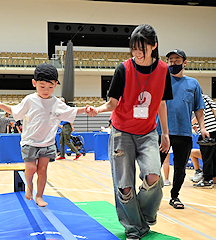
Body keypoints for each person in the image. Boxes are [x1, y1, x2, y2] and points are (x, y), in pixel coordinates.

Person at [87, 24, 172, 240]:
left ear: (153, 46)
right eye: (133, 48)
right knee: (124, 187)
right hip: (121, 132)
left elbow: (161, 102)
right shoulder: (123, 69)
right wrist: (96, 109)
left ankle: (144, 217)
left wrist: (165, 133)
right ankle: (135, 229)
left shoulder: (163, 70)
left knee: (153, 176)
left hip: (148, 133)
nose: (136, 53)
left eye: (141, 48)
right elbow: (112, 103)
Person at [0, 63, 88, 207]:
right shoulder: (29, 100)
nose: (46, 90)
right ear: (34, 83)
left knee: (42, 170)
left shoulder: (57, 102)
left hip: (47, 143)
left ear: (56, 84)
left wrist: (86, 109)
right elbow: (15, 111)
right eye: (42, 86)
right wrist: (0, 105)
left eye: (50, 87)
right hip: (29, 142)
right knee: (31, 169)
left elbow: (72, 111)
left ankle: (39, 196)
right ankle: (29, 187)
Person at [156, 49, 208, 209]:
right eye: (170, 60)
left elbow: (199, 109)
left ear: (184, 63)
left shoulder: (193, 84)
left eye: (176, 60)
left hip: (184, 134)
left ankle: (175, 196)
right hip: (161, 133)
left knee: (180, 168)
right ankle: (150, 197)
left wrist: (203, 128)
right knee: (153, 166)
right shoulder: (161, 81)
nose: (173, 63)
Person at [191, 93, 216, 188]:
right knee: (213, 157)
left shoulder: (199, 99)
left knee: (207, 157)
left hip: (207, 132)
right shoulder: (207, 98)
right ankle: (213, 179)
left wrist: (190, 124)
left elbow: (201, 114)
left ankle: (206, 180)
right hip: (214, 130)